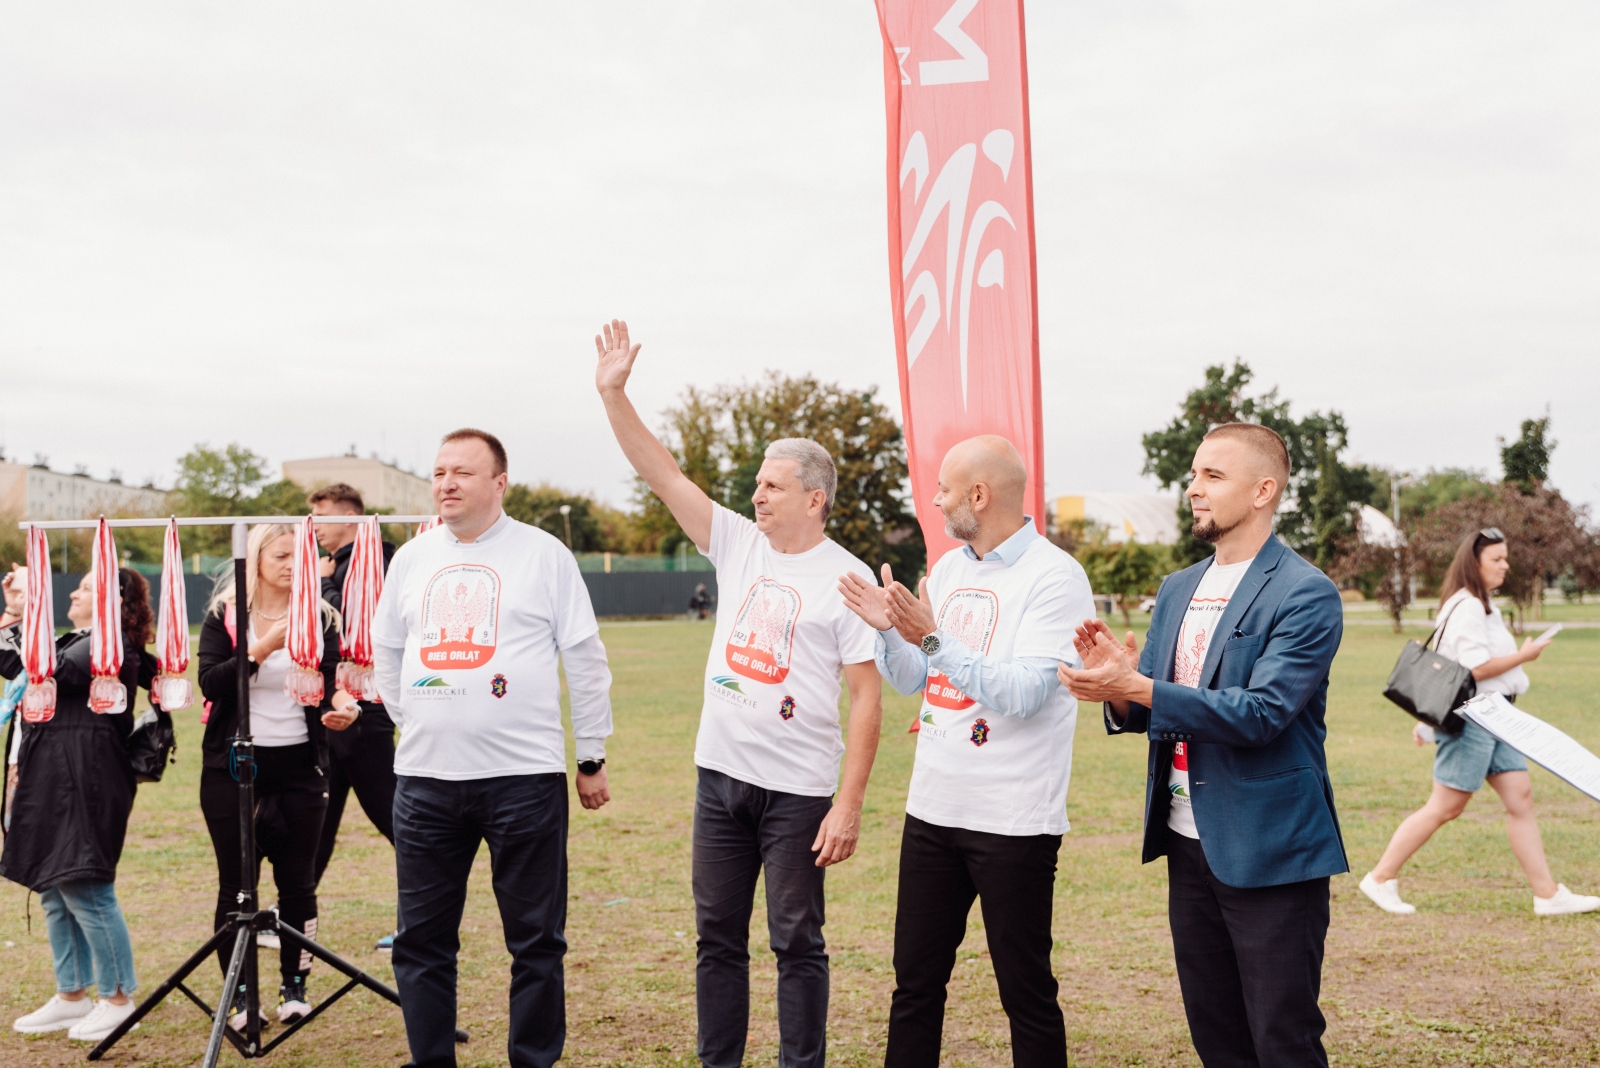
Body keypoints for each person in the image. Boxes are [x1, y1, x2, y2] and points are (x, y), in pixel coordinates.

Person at [595, 320, 883, 1068]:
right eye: (757, 483)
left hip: (798, 794)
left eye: (772, 485)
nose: (756, 494)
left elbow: (866, 699)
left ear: (814, 499)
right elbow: (663, 475)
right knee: (716, 938)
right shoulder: (736, 542)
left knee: (796, 941)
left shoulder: (847, 577)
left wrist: (848, 805)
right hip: (719, 779)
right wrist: (613, 395)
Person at [1059, 423, 1347, 1068]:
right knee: (1216, 1035)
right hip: (1186, 841)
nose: (1193, 488)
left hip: (1270, 846)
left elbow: (1262, 713)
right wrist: (1117, 689)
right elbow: (1152, 706)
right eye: (1194, 474)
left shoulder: (1305, 592)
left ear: (1263, 491)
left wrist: (1139, 685)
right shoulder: (1177, 587)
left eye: (1213, 476)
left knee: (1282, 1039)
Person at [839, 436, 1093, 1068]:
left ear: (978, 495)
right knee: (914, 985)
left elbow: (1026, 694)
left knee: (1025, 993)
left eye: (944, 489)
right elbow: (914, 678)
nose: (935, 500)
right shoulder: (949, 569)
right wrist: (890, 631)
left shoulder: (1056, 577)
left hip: (1013, 821)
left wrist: (930, 637)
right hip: (932, 812)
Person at [373, 428, 615, 1068]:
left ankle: (532, 1060)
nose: (446, 484)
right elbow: (387, 653)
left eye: (463, 472)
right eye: (439, 472)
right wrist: (418, 719)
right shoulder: (412, 559)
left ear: (499, 483)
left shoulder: (545, 555)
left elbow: (585, 660)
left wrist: (590, 755)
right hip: (425, 784)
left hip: (523, 782)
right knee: (421, 941)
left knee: (536, 941)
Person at [1360, 528, 1600, 917]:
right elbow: (1476, 668)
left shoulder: (1480, 604)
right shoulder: (1468, 605)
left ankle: (1548, 894)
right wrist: (1525, 655)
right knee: (1445, 806)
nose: (1505, 566)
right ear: (1475, 563)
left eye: (1506, 558)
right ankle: (1380, 877)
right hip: (1475, 717)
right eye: (1497, 559)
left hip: (1498, 716)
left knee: (1520, 798)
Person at [198, 523, 355, 1028]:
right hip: (233, 769)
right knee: (237, 887)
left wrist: (345, 705)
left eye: (299, 557)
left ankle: (294, 988)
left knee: (298, 884)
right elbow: (211, 683)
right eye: (281, 555)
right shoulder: (225, 616)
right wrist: (262, 646)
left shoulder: (321, 616)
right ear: (256, 560)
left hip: (300, 769)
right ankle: (241, 998)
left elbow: (330, 681)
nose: (292, 565)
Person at [1, 566, 156, 1043]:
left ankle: (118, 999)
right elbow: (14, 664)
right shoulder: (76, 641)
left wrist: (31, 605)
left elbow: (49, 670)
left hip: (87, 778)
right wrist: (15, 609)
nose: (74, 593)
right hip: (55, 775)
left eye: (88, 587)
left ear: (114, 601)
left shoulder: (109, 646)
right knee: (54, 886)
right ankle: (72, 994)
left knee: (86, 886)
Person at [307, 482, 402, 949]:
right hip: (336, 708)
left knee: (398, 820)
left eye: (321, 517)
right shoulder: (338, 562)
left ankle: (419, 919)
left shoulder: (373, 561)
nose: (315, 528)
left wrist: (324, 583)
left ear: (350, 517)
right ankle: (294, 912)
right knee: (318, 820)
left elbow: (353, 622)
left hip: (365, 710)